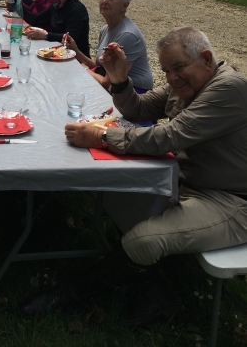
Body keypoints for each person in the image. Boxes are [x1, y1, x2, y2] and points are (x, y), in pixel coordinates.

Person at [60, 27, 247, 325]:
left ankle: (72, 294)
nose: (171, 78)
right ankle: (155, 291)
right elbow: (139, 109)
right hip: (186, 181)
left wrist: (103, 137)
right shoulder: (184, 83)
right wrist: (119, 79)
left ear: (207, 58)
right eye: (166, 71)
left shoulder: (229, 88)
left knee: (143, 242)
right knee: (116, 198)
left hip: (230, 201)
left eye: (178, 68)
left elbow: (171, 135)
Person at [66, 0, 153, 93]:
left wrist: (84, 69)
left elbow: (106, 83)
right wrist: (75, 50)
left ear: (125, 5)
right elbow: (99, 66)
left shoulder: (127, 35)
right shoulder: (105, 29)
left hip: (135, 92)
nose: (105, 1)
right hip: (113, 86)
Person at [23, 0, 90, 57]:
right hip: (58, 53)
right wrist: (17, 5)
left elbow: (70, 39)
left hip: (76, 59)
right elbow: (36, 20)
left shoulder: (77, 9)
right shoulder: (56, 4)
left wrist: (46, 35)